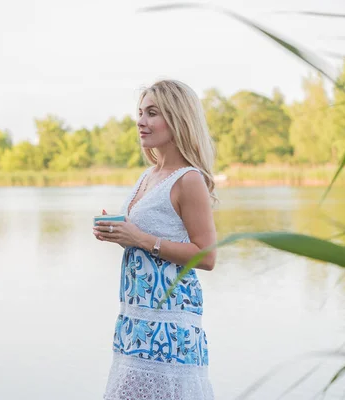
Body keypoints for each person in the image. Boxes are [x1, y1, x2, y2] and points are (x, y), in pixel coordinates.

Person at [93, 79, 217, 400]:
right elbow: (144, 238)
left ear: (177, 120)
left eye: (152, 113)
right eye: (140, 112)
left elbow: (206, 256)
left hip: (169, 320)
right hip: (136, 318)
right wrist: (119, 234)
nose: (141, 121)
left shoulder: (189, 180)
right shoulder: (148, 175)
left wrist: (141, 238)